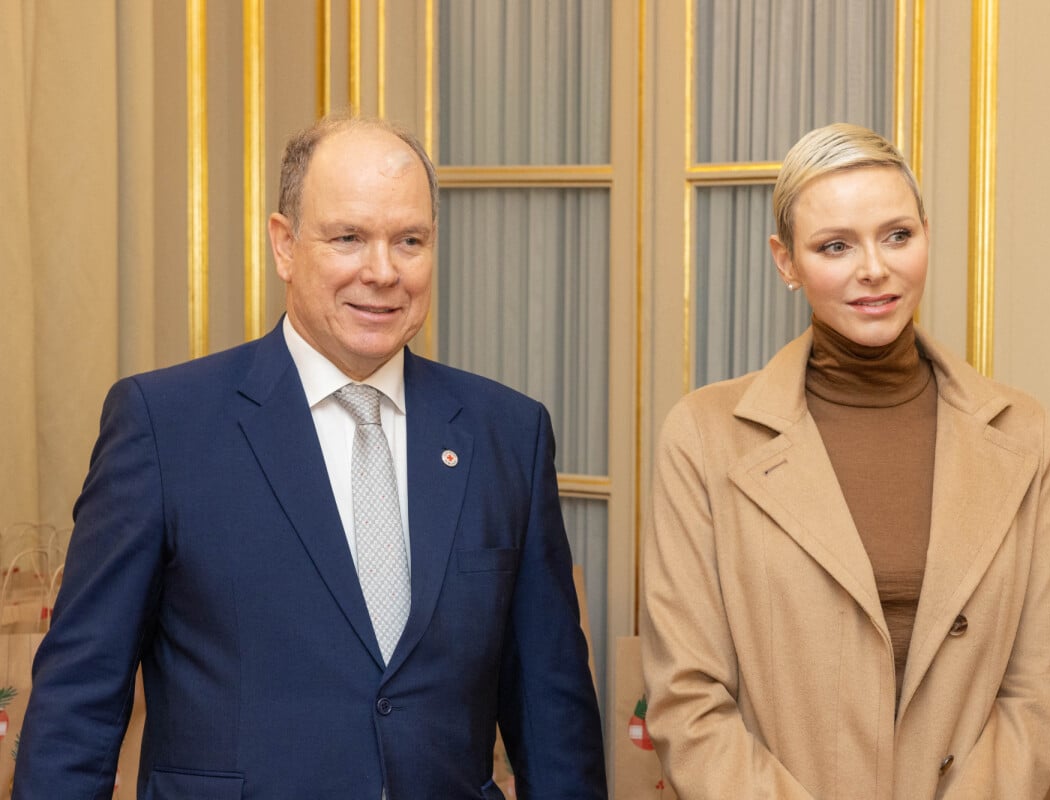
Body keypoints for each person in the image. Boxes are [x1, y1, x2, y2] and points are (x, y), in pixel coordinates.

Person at [14, 116, 607, 799]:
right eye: (349, 238)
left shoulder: (507, 433)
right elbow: (78, 706)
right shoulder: (164, 428)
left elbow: (553, 717)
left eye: (409, 241)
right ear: (285, 245)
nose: (382, 272)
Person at [640, 123, 1050, 798]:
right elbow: (688, 698)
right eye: (835, 246)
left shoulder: (1024, 434)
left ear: (927, 235)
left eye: (897, 235)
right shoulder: (703, 438)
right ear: (785, 261)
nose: (874, 268)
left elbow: (1041, 682)